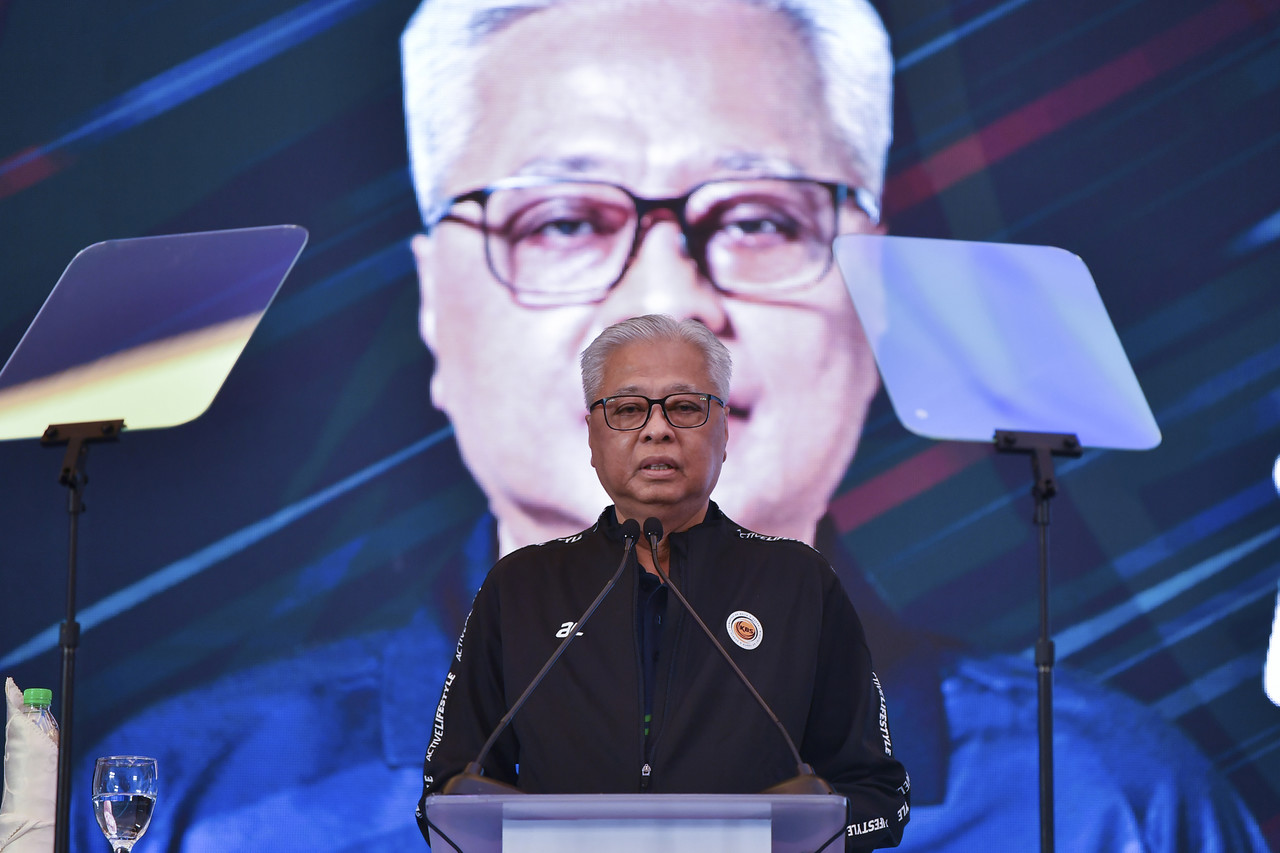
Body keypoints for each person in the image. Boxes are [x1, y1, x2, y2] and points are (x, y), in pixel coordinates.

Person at [73, 0, 1270, 850]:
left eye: (755, 218)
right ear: (435, 305)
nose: (665, 308)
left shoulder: (1110, 808)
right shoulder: (182, 800)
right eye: (559, 222)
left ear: (868, 297)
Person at [417, 315, 910, 851]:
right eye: (628, 409)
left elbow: (881, 798)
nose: (657, 429)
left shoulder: (799, 582)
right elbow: (443, 799)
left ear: (723, 430)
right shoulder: (521, 585)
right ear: (592, 435)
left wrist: (793, 833)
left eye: (685, 407)